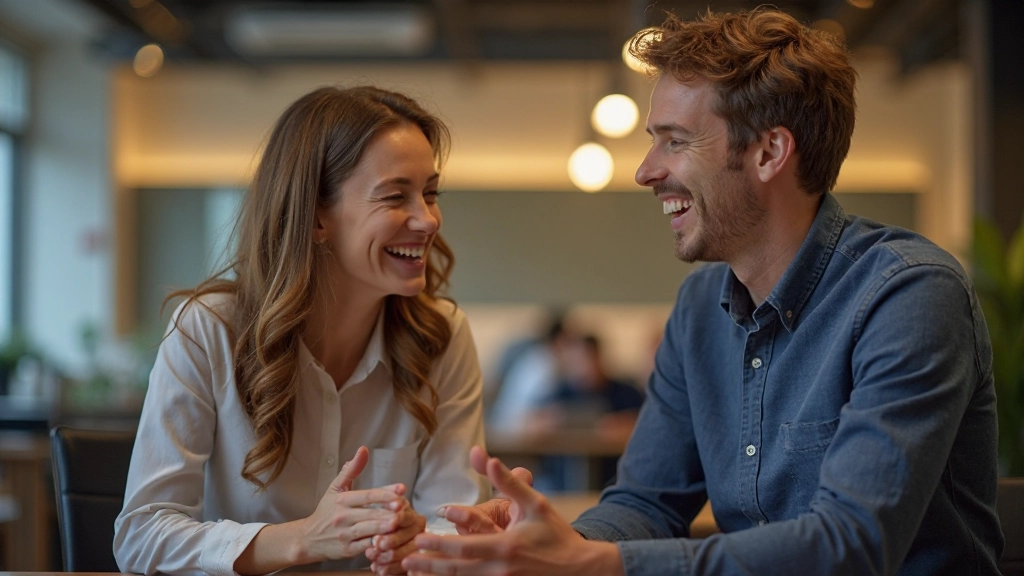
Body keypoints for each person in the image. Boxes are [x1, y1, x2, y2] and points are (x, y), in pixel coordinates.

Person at [403, 8, 1003, 576]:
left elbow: (851, 547)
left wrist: (603, 566)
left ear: (769, 151)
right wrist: (560, 541)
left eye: (676, 141)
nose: (645, 171)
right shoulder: (698, 310)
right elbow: (645, 503)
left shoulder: (909, 295)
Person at [113, 86, 489, 576]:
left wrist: (424, 545)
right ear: (315, 215)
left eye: (431, 193)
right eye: (396, 196)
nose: (428, 219)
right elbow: (142, 537)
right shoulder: (208, 331)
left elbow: (450, 524)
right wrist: (302, 540)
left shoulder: (442, 336)